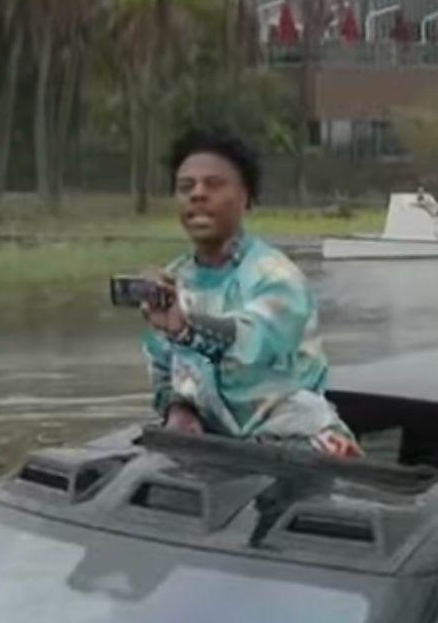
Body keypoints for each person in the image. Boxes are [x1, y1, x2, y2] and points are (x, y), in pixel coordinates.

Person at [139, 129, 359, 458]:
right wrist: (178, 408)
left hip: (298, 447)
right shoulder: (174, 281)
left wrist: (186, 327)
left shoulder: (276, 276)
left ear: (247, 197)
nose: (198, 194)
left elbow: (252, 343)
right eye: (186, 187)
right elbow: (161, 367)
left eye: (214, 184)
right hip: (217, 451)